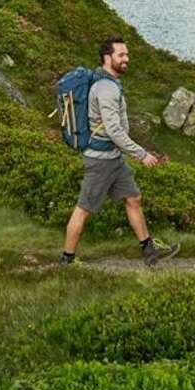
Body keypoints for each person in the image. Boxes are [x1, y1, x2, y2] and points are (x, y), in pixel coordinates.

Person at [60, 36, 180, 267]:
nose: (127, 58)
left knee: (133, 199)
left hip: (114, 159)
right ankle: (67, 260)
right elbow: (113, 130)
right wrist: (141, 154)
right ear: (108, 58)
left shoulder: (109, 83)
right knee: (83, 209)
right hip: (100, 161)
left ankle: (149, 251)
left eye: (127, 54)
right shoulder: (105, 88)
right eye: (121, 55)